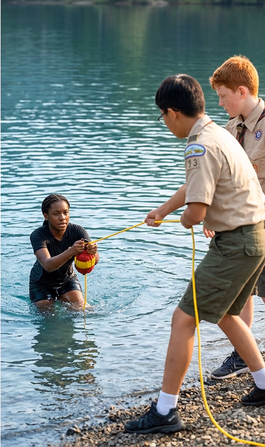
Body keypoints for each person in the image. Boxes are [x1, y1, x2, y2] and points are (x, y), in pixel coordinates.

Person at [124, 74, 265, 434]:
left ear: (172, 112)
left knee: (183, 319)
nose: (164, 123)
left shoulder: (197, 146)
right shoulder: (219, 132)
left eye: (162, 116)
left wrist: (186, 218)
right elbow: (194, 184)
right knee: (227, 314)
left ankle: (165, 411)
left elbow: (197, 212)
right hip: (256, 238)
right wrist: (163, 210)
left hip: (236, 243)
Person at [206, 55, 265, 380]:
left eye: (223, 96)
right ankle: (243, 355)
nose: (220, 103)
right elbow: (222, 179)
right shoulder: (230, 129)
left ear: (241, 91)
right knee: (245, 290)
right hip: (241, 227)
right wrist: (211, 213)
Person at [29, 194, 98, 311]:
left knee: (84, 310)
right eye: (56, 214)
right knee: (49, 318)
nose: (62, 218)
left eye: (65, 213)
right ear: (46, 216)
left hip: (67, 280)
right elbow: (48, 265)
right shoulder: (38, 235)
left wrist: (92, 252)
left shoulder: (78, 231)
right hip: (41, 284)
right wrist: (71, 251)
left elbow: (95, 260)